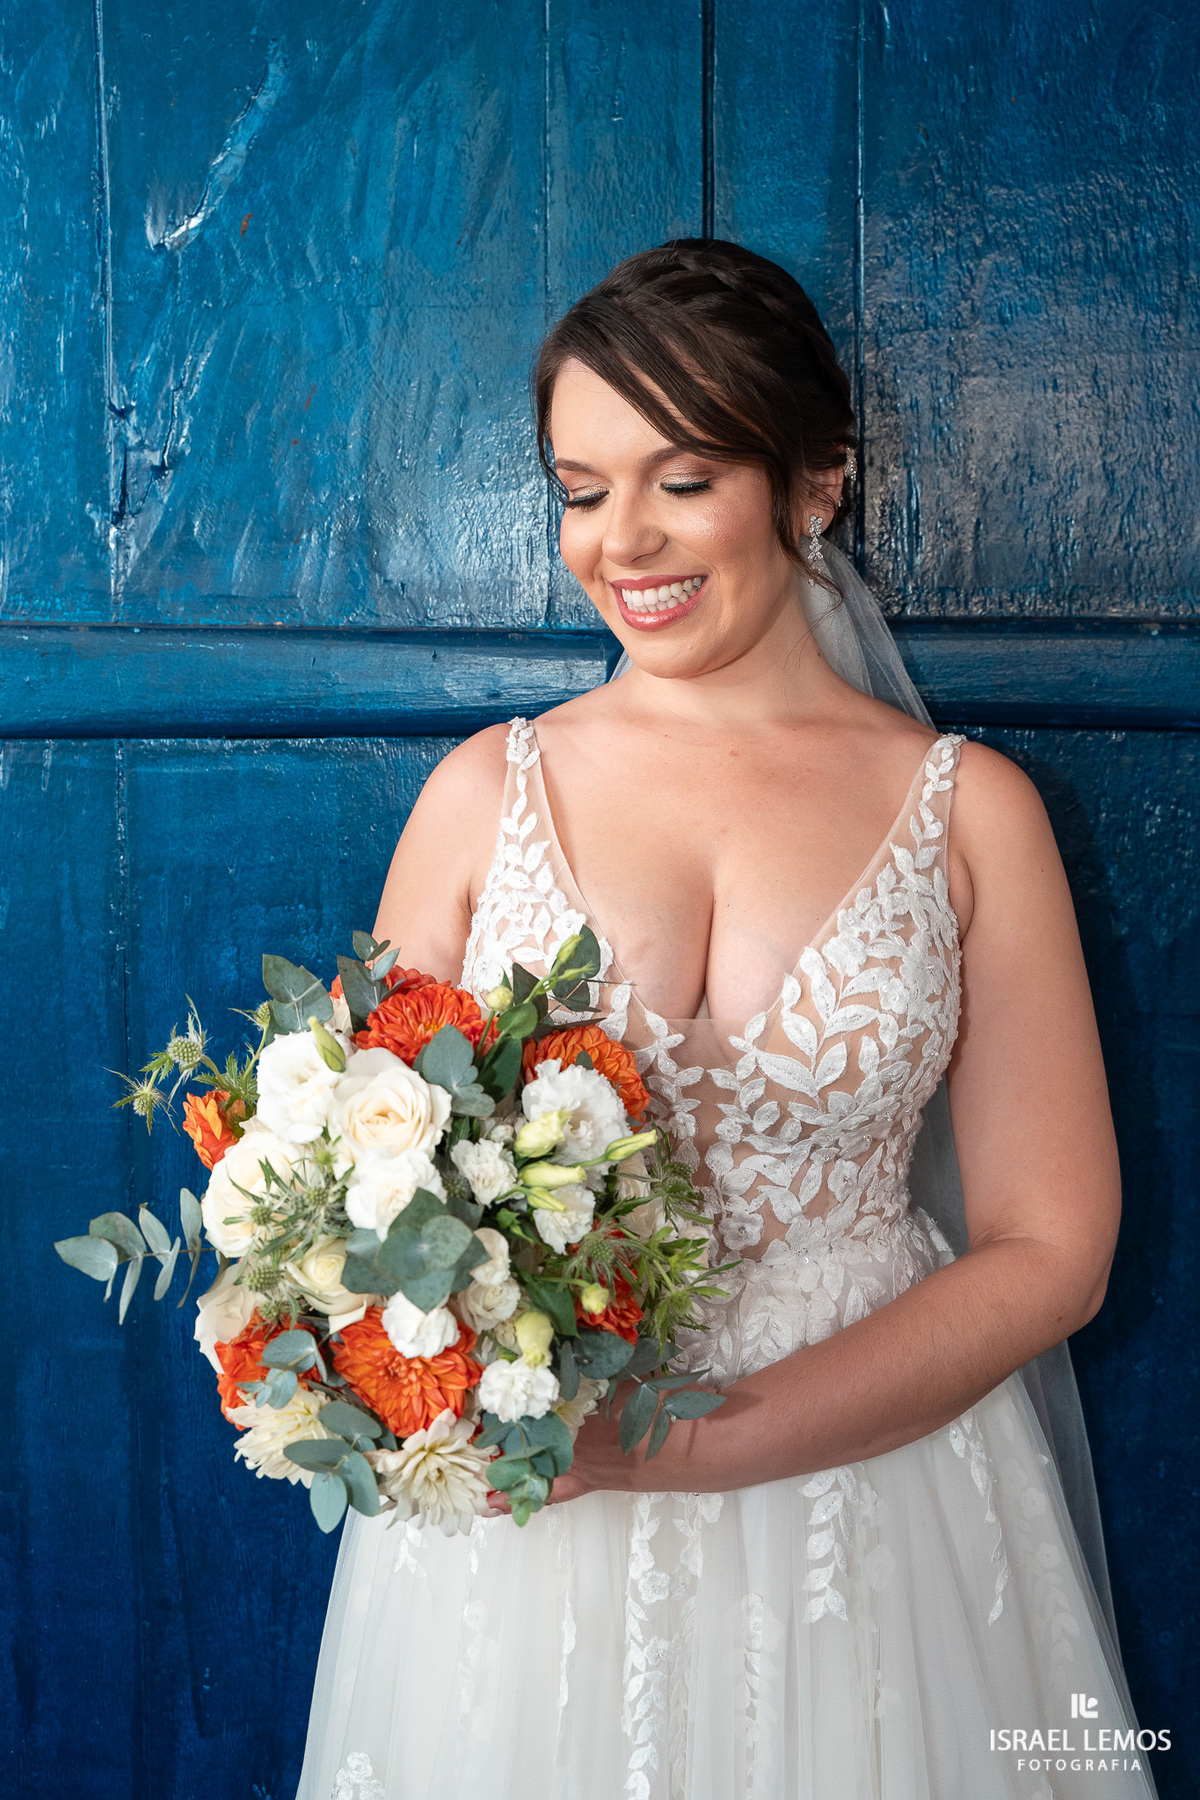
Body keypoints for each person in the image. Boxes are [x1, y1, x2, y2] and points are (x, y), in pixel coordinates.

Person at [297, 241, 1157, 1799]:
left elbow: (1055, 1248)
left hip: (873, 1502)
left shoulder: (973, 815)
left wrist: (698, 1443)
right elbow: (351, 1186)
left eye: (683, 480)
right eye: (581, 489)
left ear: (816, 482)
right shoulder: (482, 796)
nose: (620, 540)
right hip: (534, 1521)